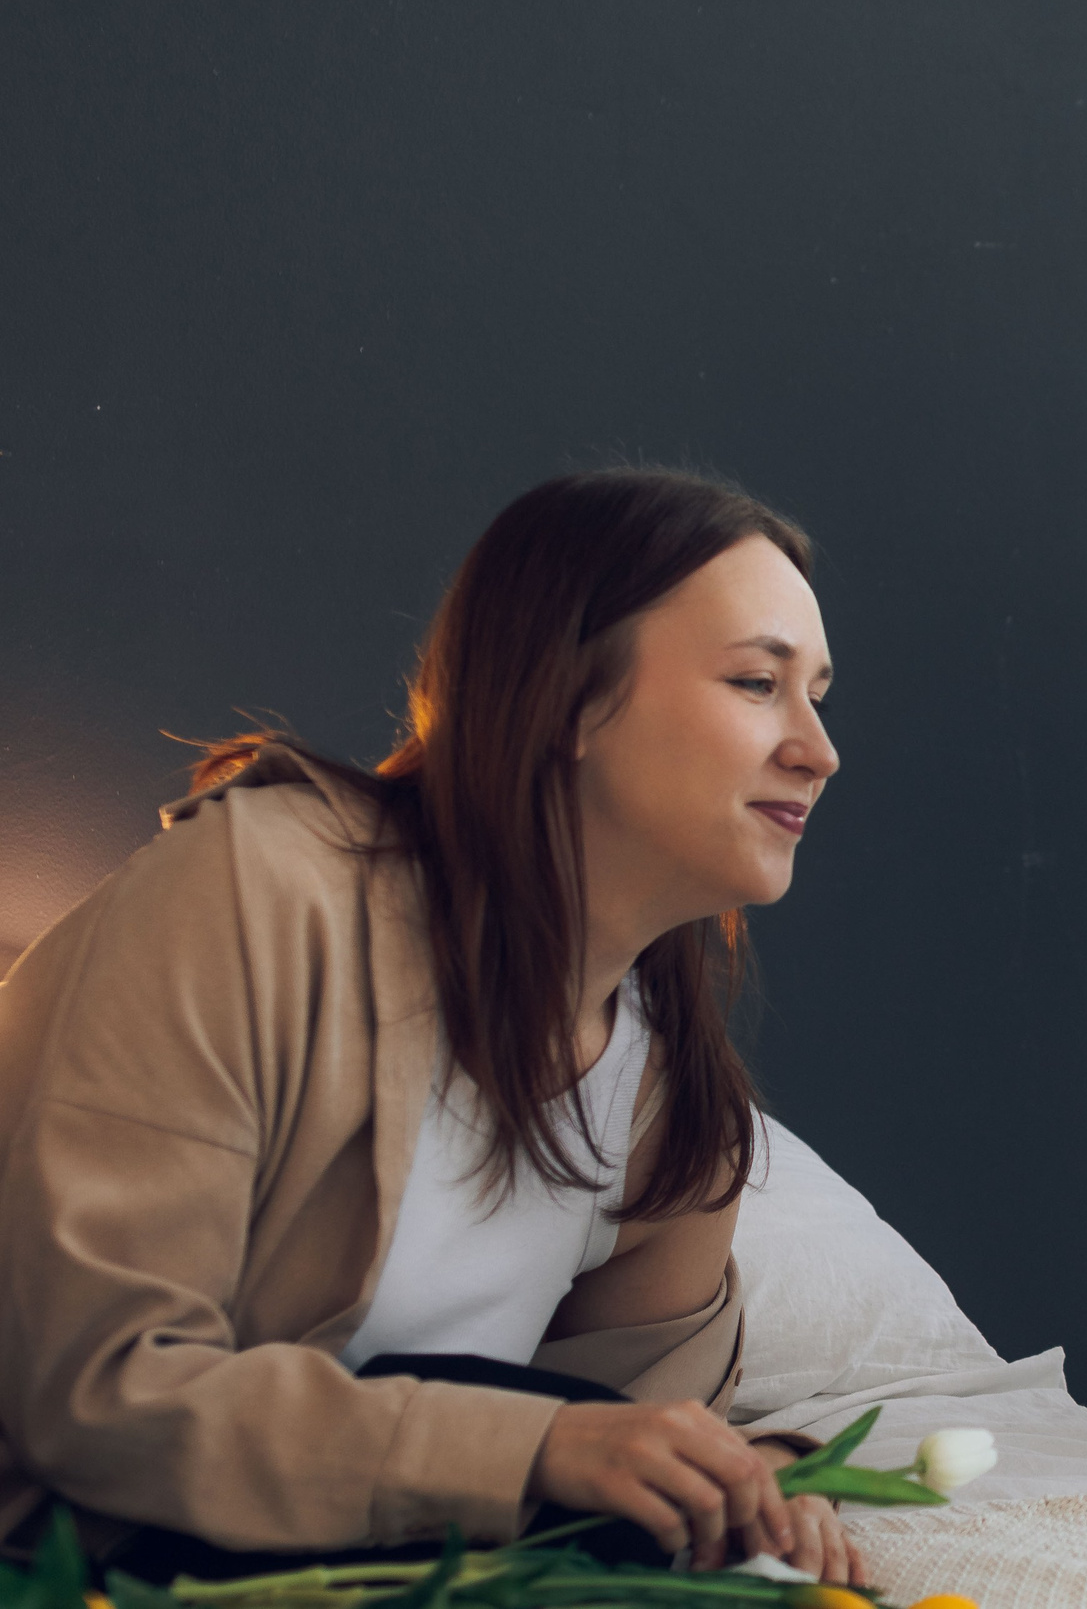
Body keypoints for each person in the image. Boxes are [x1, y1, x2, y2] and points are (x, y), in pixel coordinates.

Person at [0, 468, 863, 1586]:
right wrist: (537, 1445)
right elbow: (96, 1387)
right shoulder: (252, 895)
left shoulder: (674, 1115)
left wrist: (767, 1481)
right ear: (565, 699)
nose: (817, 749)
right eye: (757, 681)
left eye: (821, 696)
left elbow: (638, 1460)